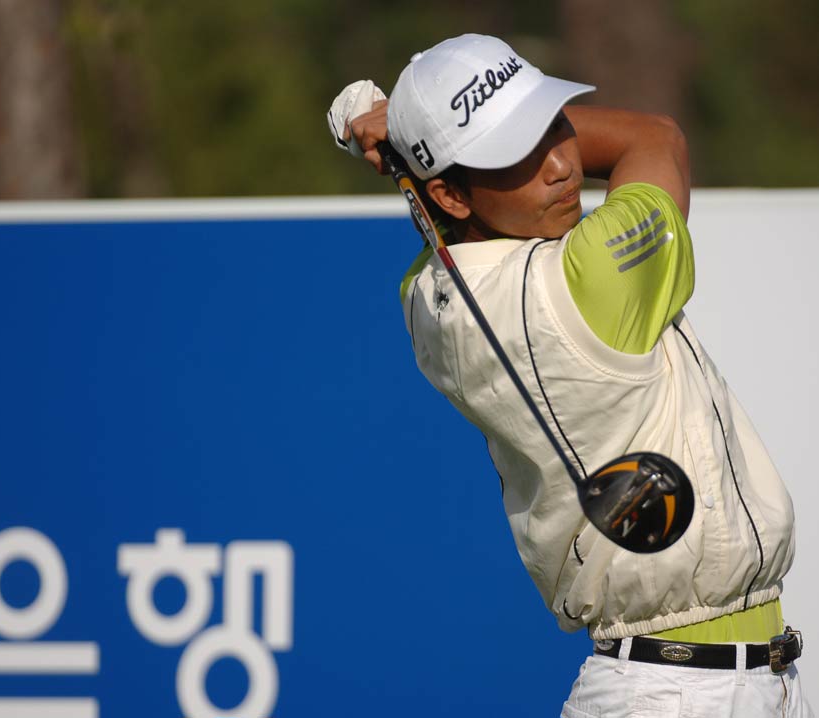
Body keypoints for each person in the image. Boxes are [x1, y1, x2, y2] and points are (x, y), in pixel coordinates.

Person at [327, 33, 813, 717]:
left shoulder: (426, 297)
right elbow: (655, 137)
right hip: (678, 695)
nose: (561, 165)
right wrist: (403, 134)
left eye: (552, 124)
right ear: (451, 195)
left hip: (700, 682)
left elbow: (449, 229)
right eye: (515, 151)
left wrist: (417, 139)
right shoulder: (588, 280)